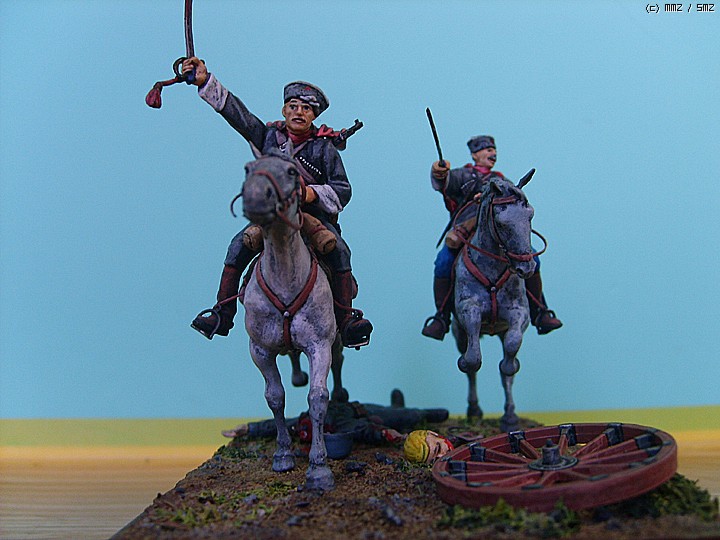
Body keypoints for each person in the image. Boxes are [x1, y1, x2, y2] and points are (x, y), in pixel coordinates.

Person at [181, 58, 372, 349]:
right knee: (239, 245)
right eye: (293, 106)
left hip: (311, 217)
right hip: (274, 217)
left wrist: (309, 194)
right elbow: (238, 115)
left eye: (306, 108)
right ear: (284, 111)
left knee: (339, 250)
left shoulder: (324, 148)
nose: (299, 112)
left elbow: (342, 191)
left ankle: (346, 321)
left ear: (314, 115)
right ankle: (223, 312)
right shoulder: (269, 137)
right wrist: (206, 81)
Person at [421, 135, 563, 340]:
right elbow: (444, 183)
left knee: (532, 257)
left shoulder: (502, 181)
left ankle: (540, 311)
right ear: (475, 155)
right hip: (466, 230)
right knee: (444, 261)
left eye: (493, 150)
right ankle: (441, 317)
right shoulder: (461, 175)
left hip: (495, 231)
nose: (492, 153)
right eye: (487, 150)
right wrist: (439, 173)